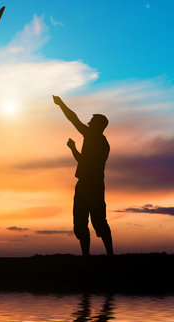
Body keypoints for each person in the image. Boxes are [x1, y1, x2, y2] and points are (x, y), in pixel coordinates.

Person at [53, 95, 113, 256]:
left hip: (91, 186)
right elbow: (83, 161)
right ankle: (91, 255)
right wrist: (72, 148)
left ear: (98, 126)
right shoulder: (96, 140)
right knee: (82, 222)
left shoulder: (95, 139)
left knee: (97, 222)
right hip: (86, 185)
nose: (88, 123)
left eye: (91, 122)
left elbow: (74, 119)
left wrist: (61, 104)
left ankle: (107, 255)